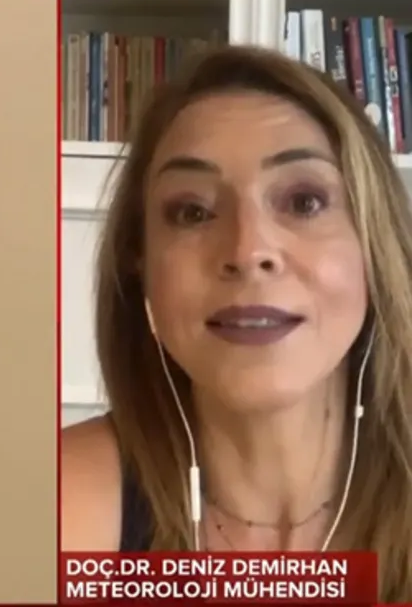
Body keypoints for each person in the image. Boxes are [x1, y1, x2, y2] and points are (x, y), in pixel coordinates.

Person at [60, 45, 412, 601]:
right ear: (140, 261)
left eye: (304, 201)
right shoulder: (65, 499)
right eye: (193, 212)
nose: (248, 251)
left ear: (374, 240)